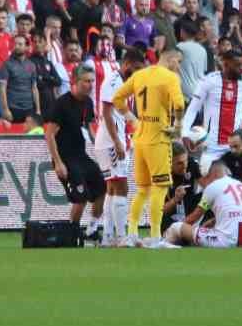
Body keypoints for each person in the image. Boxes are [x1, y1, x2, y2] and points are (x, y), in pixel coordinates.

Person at [112, 47, 186, 246]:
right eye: (178, 62)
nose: (179, 67)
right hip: (158, 139)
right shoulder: (169, 77)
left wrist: (133, 120)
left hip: (140, 140)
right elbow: (179, 104)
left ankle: (133, 233)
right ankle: (155, 236)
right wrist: (178, 126)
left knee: (143, 190)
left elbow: (117, 98)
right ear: (170, 59)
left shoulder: (140, 75)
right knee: (159, 188)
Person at [43, 63, 107, 242]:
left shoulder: (87, 102)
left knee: (102, 187)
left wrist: (99, 145)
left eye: (92, 81)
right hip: (66, 158)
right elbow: (49, 135)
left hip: (81, 155)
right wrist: (58, 162)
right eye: (86, 81)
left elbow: (88, 127)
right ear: (75, 81)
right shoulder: (62, 104)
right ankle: (71, 233)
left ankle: (92, 229)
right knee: (81, 197)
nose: (90, 85)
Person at [181, 51, 242, 172]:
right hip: (211, 146)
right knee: (205, 185)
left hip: (235, 147)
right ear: (226, 64)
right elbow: (193, 108)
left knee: (234, 186)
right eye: (237, 65)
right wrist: (185, 133)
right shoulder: (209, 81)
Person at [94, 44, 143, 248]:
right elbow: (106, 113)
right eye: (137, 68)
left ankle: (107, 237)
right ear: (127, 64)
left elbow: (123, 112)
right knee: (121, 187)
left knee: (112, 188)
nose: (139, 72)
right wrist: (116, 142)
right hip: (111, 141)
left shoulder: (127, 83)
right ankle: (122, 236)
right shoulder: (113, 81)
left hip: (116, 140)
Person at [160, 159, 242, 249]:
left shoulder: (213, 186)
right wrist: (206, 226)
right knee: (204, 228)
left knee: (176, 227)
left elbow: (193, 218)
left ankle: (161, 245)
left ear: (213, 174)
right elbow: (234, 214)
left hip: (224, 241)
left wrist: (182, 230)